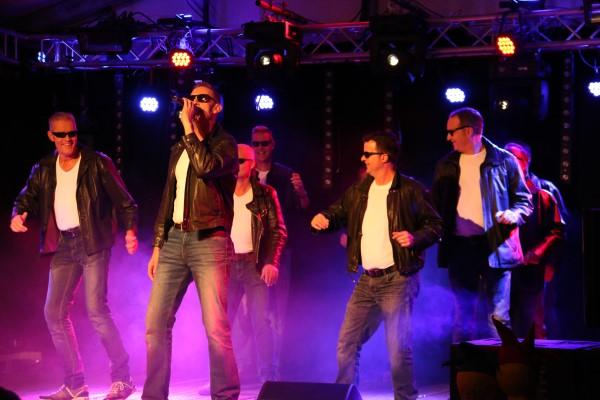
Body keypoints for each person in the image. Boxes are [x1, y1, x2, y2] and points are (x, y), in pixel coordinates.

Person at [10, 112, 138, 400]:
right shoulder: (44, 168)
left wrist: (130, 231)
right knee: (53, 313)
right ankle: (75, 384)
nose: (68, 139)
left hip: (94, 241)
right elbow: (25, 197)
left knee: (96, 310)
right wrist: (18, 214)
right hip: (64, 246)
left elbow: (126, 202)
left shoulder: (97, 162)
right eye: (62, 135)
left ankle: (123, 379)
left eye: (73, 133)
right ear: (51, 136)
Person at [311, 132, 442, 400]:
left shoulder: (410, 189)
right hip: (367, 281)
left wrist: (415, 237)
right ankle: (346, 396)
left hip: (398, 279)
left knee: (398, 350)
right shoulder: (360, 190)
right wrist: (323, 218)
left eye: (367, 154)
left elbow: (436, 225)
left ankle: (405, 398)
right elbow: (337, 212)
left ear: (384, 157)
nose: (362, 158)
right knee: (347, 343)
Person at [143, 82, 240, 400]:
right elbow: (168, 198)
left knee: (215, 326)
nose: (195, 102)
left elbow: (206, 167)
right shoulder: (179, 148)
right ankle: (153, 396)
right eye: (192, 97)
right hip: (174, 241)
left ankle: (225, 395)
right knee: (155, 324)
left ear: (216, 107)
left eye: (203, 98)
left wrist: (189, 129)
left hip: (209, 240)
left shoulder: (225, 145)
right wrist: (158, 244)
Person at [432, 107, 532, 342]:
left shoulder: (504, 160)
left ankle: (500, 366)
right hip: (460, 249)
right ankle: (464, 366)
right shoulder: (446, 165)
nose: (448, 137)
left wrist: (513, 214)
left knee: (497, 319)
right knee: (462, 317)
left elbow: (524, 201)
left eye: (452, 132)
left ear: (468, 131)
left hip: (496, 245)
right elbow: (435, 206)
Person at [250, 125, 309, 376]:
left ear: (272, 145)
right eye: (256, 144)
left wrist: (301, 191)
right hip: (250, 253)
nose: (260, 148)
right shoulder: (244, 174)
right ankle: (248, 367)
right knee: (250, 313)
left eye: (264, 143)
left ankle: (277, 368)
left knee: (279, 311)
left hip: (280, 253)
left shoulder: (285, 175)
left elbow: (302, 207)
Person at [228, 143, 287, 383]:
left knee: (261, 320)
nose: (235, 164)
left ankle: (267, 379)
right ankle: (222, 376)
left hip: (254, 264)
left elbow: (278, 230)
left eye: (240, 160)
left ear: (252, 164)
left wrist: (271, 262)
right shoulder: (219, 191)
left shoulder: (265, 193)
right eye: (232, 160)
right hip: (226, 265)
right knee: (219, 323)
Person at [505, 142, 565, 338]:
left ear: (526, 162)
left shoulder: (545, 191)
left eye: (514, 158)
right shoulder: (500, 192)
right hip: (510, 269)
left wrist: (547, 260)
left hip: (536, 268)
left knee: (537, 321)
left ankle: (544, 356)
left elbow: (559, 231)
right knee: (509, 322)